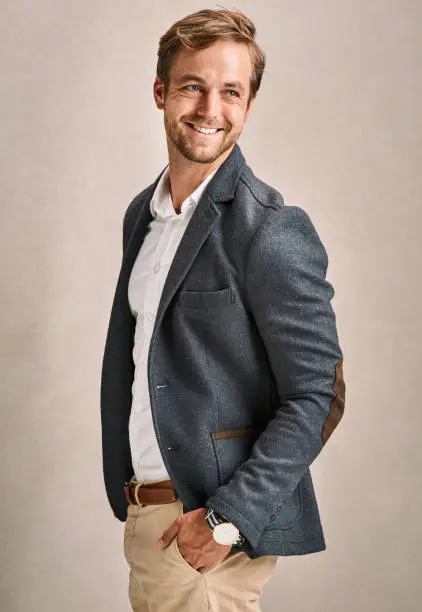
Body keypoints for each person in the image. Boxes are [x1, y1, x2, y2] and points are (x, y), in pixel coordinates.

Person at [100, 7, 346, 612]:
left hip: (207, 540)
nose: (211, 108)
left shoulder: (269, 229)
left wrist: (225, 521)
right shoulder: (143, 215)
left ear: (248, 105)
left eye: (230, 91)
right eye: (192, 86)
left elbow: (318, 396)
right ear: (160, 92)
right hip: (148, 521)